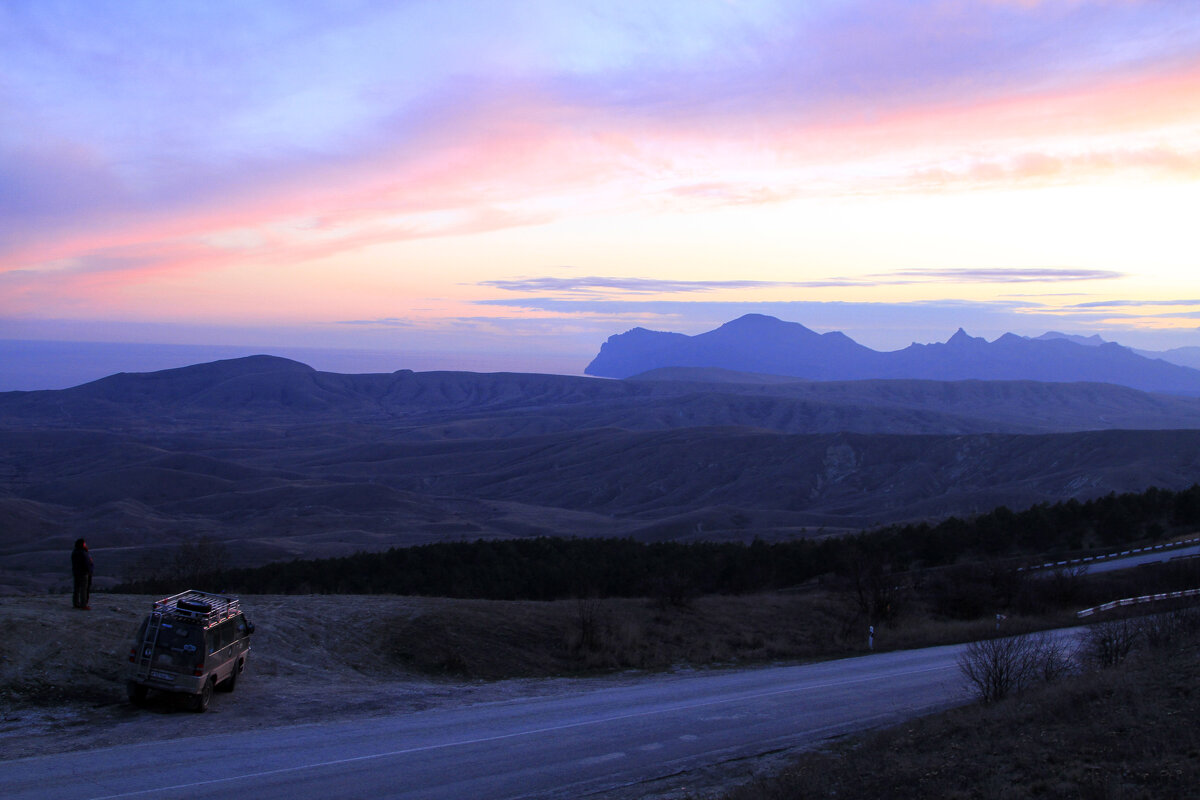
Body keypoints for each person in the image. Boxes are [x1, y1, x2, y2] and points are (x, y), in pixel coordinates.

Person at [71, 538, 93, 609]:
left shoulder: (75, 552)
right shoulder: (83, 553)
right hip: (83, 573)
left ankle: (76, 603)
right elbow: (87, 563)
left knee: (76, 588)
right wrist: (89, 571)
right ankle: (83, 604)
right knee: (84, 589)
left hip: (76, 572)